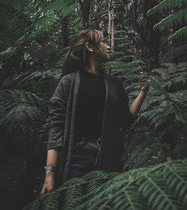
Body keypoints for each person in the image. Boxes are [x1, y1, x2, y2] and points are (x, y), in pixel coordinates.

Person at [40, 29, 150, 194]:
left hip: (107, 158)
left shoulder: (114, 84)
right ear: (90, 47)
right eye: (103, 42)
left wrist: (143, 93)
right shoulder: (68, 83)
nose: (108, 46)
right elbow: (57, 128)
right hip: (75, 159)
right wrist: (50, 172)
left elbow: (125, 120)